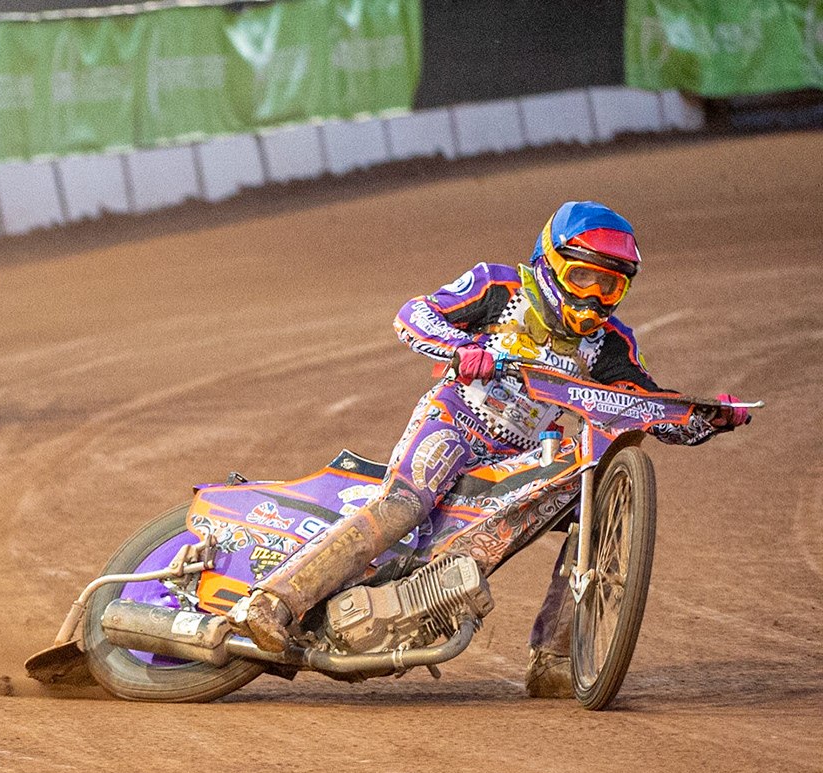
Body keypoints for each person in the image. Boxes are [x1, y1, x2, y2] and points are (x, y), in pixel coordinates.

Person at [228, 202, 750, 696]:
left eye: (609, 285)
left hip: (516, 460)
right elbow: (415, 314)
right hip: (454, 421)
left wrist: (708, 418)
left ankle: (555, 661)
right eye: (582, 277)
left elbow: (648, 404)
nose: (593, 296)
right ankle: (273, 601)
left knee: (586, 508)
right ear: (549, 266)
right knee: (403, 506)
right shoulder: (499, 288)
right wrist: (464, 350)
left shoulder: (610, 345)